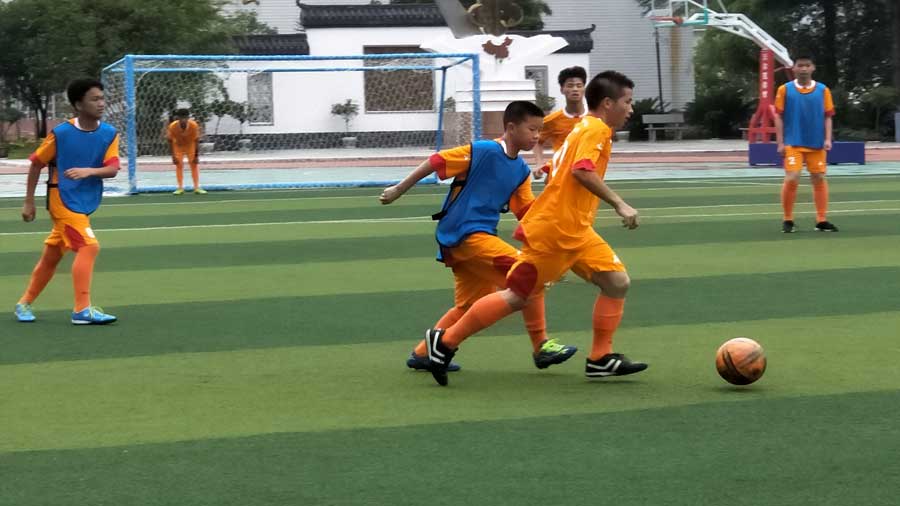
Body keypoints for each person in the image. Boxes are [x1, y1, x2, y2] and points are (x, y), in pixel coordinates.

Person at [420, 71, 648, 387]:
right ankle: (444, 344)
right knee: (518, 295)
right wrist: (620, 204)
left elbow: (566, 164)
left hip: (577, 230)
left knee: (616, 282)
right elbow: (583, 170)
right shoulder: (596, 130)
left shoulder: (584, 126)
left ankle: (600, 358)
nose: (631, 108)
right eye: (628, 101)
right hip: (555, 231)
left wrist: (549, 169)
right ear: (608, 103)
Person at [380, 101, 577, 374]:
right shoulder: (484, 151)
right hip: (465, 234)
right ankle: (541, 346)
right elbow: (436, 161)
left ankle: (423, 354)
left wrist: (554, 200)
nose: (536, 136)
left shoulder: (520, 170)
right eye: (532, 129)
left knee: (469, 306)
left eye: (539, 130)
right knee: (529, 274)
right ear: (510, 127)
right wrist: (399, 189)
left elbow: (527, 214)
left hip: (471, 238)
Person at [14, 78, 120, 325]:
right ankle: (82, 310)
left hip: (83, 201)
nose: (101, 103)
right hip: (61, 199)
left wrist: (89, 172)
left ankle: (24, 303)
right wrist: (29, 202)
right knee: (89, 246)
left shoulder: (109, 133)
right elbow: (37, 163)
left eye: (102, 98)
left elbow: (113, 168)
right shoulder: (61, 134)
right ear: (78, 105)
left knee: (52, 256)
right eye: (94, 99)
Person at [774, 54, 837, 233]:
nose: (803, 69)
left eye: (807, 65)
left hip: (816, 143)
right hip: (793, 142)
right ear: (793, 69)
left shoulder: (823, 90)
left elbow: (828, 115)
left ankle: (821, 220)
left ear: (813, 68)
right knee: (792, 176)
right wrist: (780, 142)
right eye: (800, 66)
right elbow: (778, 115)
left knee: (818, 178)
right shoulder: (784, 89)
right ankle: (787, 219)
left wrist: (827, 138)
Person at [532, 66, 587, 185]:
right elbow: (536, 140)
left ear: (584, 89)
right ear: (562, 89)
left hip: (586, 178)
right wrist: (539, 162)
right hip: (559, 177)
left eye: (579, 85)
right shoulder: (552, 120)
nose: (575, 89)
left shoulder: (594, 119)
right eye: (570, 85)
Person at [167, 108, 206, 195]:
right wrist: (173, 156)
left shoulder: (193, 125)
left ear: (188, 117)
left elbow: (196, 140)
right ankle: (180, 188)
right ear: (178, 118)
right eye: (181, 117)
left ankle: (196, 187)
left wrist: (196, 156)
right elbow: (169, 140)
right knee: (179, 165)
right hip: (178, 145)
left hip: (190, 145)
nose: (183, 120)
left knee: (194, 165)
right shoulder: (173, 126)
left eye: (185, 117)